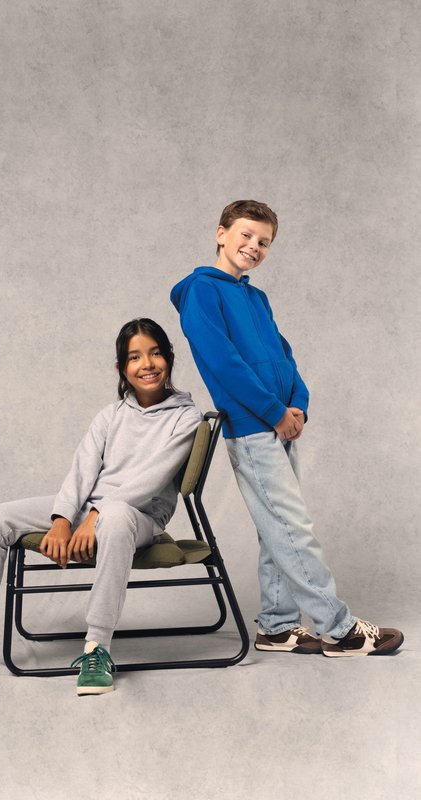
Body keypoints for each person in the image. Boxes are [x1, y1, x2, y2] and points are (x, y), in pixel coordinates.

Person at [0, 318, 203, 693]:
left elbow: (151, 480)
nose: (147, 364)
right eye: (135, 357)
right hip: (89, 510)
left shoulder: (186, 417)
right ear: (121, 368)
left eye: (156, 353)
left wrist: (95, 517)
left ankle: (97, 647)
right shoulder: (110, 416)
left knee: (114, 516)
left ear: (170, 358)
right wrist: (62, 519)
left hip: (139, 517)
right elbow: (81, 471)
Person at [170, 200, 403, 657]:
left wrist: (298, 406)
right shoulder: (201, 291)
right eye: (245, 235)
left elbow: (284, 356)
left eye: (264, 242)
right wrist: (274, 412)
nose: (253, 246)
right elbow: (224, 364)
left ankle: (277, 627)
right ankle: (340, 630)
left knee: (275, 529)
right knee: (293, 527)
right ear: (221, 234)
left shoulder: (256, 298)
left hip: (280, 423)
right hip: (252, 427)